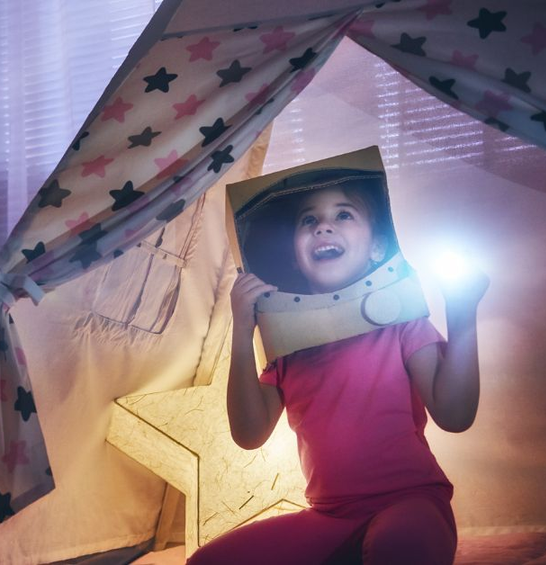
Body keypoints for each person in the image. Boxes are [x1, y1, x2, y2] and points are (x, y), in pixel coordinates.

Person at [189, 179, 489, 564]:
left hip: (412, 505)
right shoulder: (289, 350)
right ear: (296, 257)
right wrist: (242, 333)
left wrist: (462, 312)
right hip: (329, 516)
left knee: (398, 545)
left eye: (342, 214)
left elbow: (455, 414)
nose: (323, 226)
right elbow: (248, 435)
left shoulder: (401, 325)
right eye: (308, 219)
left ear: (376, 247)